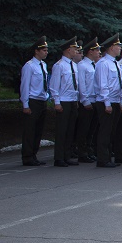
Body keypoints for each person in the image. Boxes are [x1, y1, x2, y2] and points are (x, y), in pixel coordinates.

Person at [48, 37, 81, 167]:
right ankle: (59, 157)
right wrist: (56, 101)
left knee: (70, 130)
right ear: (68, 50)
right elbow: (54, 85)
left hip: (72, 99)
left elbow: (75, 84)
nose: (76, 51)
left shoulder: (73, 65)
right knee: (62, 130)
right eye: (75, 48)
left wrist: (76, 99)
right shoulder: (59, 65)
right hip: (63, 100)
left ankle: (67, 156)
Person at [94, 34, 122, 168]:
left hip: (115, 100)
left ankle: (108, 156)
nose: (120, 48)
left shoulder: (115, 63)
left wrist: (119, 102)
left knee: (111, 131)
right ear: (111, 47)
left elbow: (118, 84)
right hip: (106, 102)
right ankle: (102, 159)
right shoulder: (103, 63)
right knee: (105, 131)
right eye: (118, 46)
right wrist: (107, 103)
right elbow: (103, 85)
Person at [74, 37, 100, 163]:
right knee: (84, 129)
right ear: (90, 51)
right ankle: (82, 152)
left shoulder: (93, 65)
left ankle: (89, 151)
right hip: (87, 101)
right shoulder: (82, 66)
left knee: (91, 129)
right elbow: (82, 85)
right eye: (97, 50)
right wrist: (85, 101)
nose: (99, 52)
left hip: (95, 100)